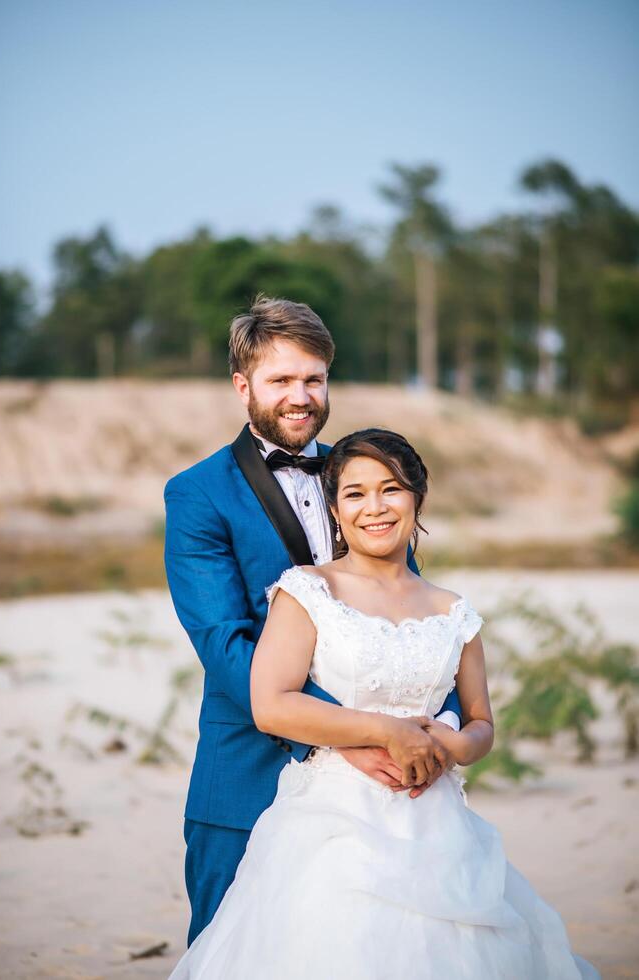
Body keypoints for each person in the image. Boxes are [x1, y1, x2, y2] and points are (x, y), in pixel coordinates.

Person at [168, 428, 599, 980]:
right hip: (331, 827)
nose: (375, 507)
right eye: (355, 494)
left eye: (391, 489)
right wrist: (384, 732)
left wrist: (456, 745)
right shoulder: (305, 591)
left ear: (417, 496)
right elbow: (271, 704)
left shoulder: (453, 610)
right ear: (335, 508)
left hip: (438, 828)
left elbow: (481, 722)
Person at [164, 297, 461, 946]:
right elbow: (226, 643)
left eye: (314, 379)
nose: (300, 396)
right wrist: (353, 737)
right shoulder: (197, 493)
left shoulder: (365, 482)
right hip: (250, 771)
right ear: (243, 386)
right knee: (229, 951)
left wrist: (443, 727)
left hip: (385, 791)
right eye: (280, 380)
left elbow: (407, 614)